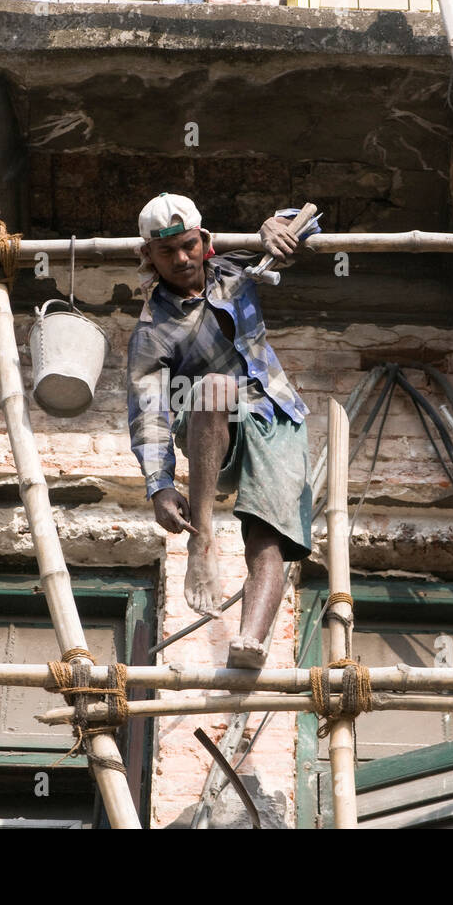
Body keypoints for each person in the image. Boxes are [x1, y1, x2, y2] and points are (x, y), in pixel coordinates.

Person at [126, 192, 314, 669]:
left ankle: (251, 642)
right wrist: (160, 487)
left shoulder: (237, 272)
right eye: (166, 253)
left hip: (274, 415)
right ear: (148, 256)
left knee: (268, 536)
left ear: (205, 240)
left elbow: (310, 224)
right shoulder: (153, 328)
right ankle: (203, 535)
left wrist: (277, 220)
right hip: (213, 435)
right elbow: (148, 411)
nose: (181, 259)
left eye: (188, 245)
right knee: (212, 385)